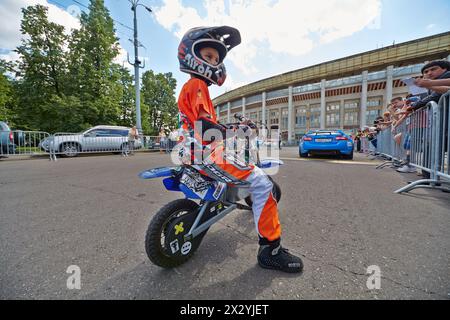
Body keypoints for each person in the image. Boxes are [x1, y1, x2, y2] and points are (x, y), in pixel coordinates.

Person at [176, 26, 303, 273]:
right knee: (264, 184)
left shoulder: (191, 88)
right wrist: (237, 131)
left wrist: (229, 127)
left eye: (216, 59)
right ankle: (271, 250)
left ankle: (237, 199)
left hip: (191, 152)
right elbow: (204, 126)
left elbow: (203, 123)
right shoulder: (197, 85)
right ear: (192, 55)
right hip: (207, 153)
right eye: (209, 56)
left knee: (245, 174)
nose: (213, 62)